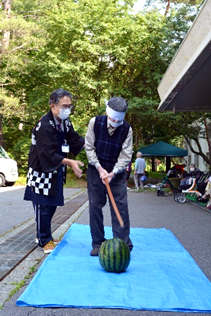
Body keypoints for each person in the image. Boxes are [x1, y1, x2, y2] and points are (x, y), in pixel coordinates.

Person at [24, 88, 85, 254]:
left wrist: (91, 145)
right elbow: (47, 153)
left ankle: (44, 235)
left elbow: (74, 139)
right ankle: (44, 239)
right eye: (64, 106)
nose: (67, 109)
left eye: (70, 106)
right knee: (43, 205)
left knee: (51, 205)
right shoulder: (44, 125)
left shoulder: (65, 122)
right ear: (53, 106)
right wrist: (70, 162)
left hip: (56, 168)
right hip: (41, 170)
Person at [85, 96, 133, 256]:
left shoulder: (127, 129)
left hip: (116, 173)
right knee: (95, 206)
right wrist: (99, 168)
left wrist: (114, 172)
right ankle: (98, 243)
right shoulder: (95, 122)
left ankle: (122, 243)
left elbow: (126, 155)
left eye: (118, 121)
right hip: (95, 170)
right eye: (113, 119)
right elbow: (89, 148)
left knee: (120, 207)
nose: (115, 123)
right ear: (107, 113)